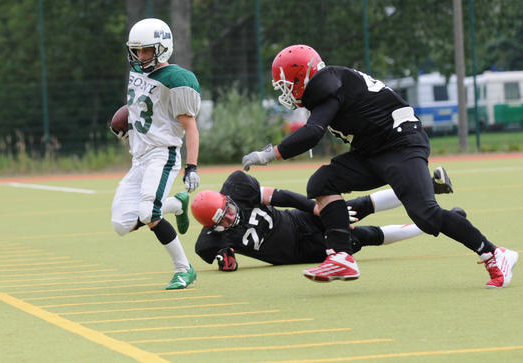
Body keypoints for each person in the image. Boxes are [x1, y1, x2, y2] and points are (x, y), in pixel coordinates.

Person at [242, 45, 518, 288]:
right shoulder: (330, 83)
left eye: (287, 84)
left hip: (401, 144)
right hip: (373, 150)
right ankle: (340, 256)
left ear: (302, 77)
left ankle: (494, 253)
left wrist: (269, 154)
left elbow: (313, 132)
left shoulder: (327, 84)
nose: (285, 92)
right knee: (322, 182)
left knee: (425, 214)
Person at [192, 170, 460, 271]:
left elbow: (281, 196)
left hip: (297, 220)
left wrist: (315, 208)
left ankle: (428, 184)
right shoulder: (208, 241)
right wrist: (225, 256)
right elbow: (217, 256)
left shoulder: (237, 187)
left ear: (225, 198)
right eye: (223, 219)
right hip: (300, 252)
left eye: (228, 209)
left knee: (355, 206)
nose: (231, 215)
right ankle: (434, 224)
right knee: (363, 235)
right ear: (212, 227)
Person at [110, 18, 201, 290]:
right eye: (137, 50)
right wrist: (130, 126)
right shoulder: (137, 72)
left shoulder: (177, 79)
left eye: (147, 50)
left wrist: (192, 166)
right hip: (139, 158)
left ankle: (184, 269)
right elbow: (144, 109)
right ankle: (176, 204)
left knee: (149, 213)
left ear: (162, 48)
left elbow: (190, 128)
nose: (140, 56)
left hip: (163, 154)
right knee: (122, 223)